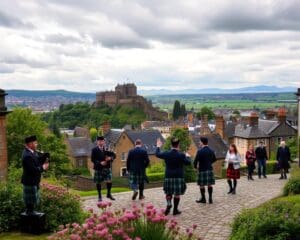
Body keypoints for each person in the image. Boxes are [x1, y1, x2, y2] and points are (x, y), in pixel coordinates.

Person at [156, 137, 191, 216]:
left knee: (168, 193)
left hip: (169, 176)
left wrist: (158, 146)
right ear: (178, 145)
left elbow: (157, 154)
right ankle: (175, 210)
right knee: (177, 194)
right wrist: (188, 156)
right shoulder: (181, 155)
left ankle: (169, 203)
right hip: (178, 176)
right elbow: (188, 163)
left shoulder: (166, 153)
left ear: (171, 144)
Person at [21, 135, 49, 215]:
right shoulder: (27, 156)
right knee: (30, 199)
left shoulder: (31, 152)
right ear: (30, 144)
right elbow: (34, 170)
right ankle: (30, 212)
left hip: (33, 180)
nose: (37, 144)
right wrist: (43, 167)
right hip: (30, 180)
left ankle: (31, 211)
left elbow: (36, 161)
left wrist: (43, 157)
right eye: (35, 143)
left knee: (32, 199)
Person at [91, 136, 116, 202]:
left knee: (109, 181)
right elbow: (92, 159)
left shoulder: (107, 149)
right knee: (98, 183)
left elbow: (114, 155)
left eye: (102, 141)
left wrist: (110, 158)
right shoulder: (94, 150)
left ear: (104, 142)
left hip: (107, 168)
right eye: (99, 141)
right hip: (98, 168)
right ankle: (99, 196)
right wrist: (100, 163)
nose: (101, 142)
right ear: (97, 142)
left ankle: (108, 194)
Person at [193, 137, 216, 204]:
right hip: (209, 169)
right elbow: (214, 159)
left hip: (202, 170)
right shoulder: (211, 150)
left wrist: (195, 167)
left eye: (200, 142)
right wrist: (209, 163)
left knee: (201, 185)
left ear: (202, 142)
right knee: (209, 184)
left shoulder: (200, 151)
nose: (199, 143)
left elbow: (195, 161)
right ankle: (210, 199)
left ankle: (203, 199)